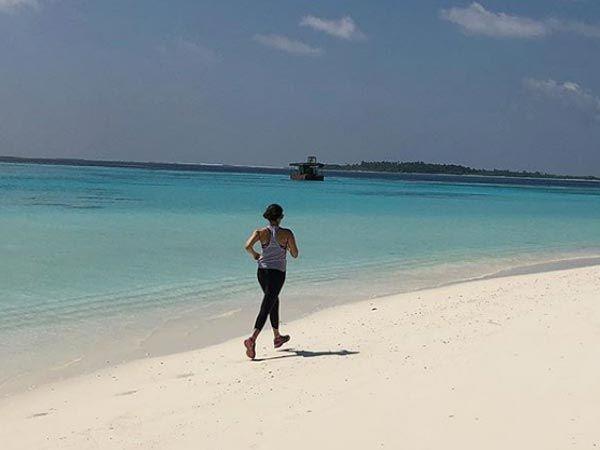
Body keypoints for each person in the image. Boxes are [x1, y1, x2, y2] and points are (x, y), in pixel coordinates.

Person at [243, 203, 299, 359]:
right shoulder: (287, 233)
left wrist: (255, 255)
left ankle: (277, 337)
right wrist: (287, 247)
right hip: (277, 273)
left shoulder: (260, 232)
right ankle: (252, 339)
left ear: (268, 217)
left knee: (273, 301)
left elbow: (247, 246)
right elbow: (295, 254)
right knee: (267, 304)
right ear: (280, 217)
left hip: (262, 272)